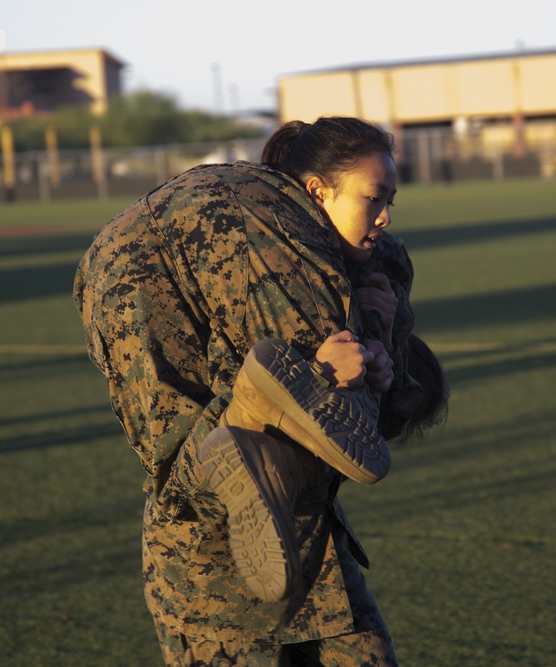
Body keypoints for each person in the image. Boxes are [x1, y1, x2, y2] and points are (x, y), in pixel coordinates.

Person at [74, 116, 444, 665]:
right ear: (317, 191)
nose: (386, 217)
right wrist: (340, 366)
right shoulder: (280, 254)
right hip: (213, 576)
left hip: (310, 555)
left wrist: (381, 342)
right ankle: (252, 406)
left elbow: (368, 424)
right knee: (241, 437)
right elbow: (351, 433)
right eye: (374, 198)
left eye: (391, 200)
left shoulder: (338, 269)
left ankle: (253, 408)